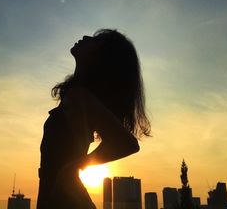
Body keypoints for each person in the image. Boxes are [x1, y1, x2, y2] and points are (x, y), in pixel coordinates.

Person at [37, 29, 150, 209]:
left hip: (67, 200)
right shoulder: (77, 97)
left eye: (96, 41)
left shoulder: (79, 97)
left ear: (104, 59)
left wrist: (72, 168)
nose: (87, 38)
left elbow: (128, 143)